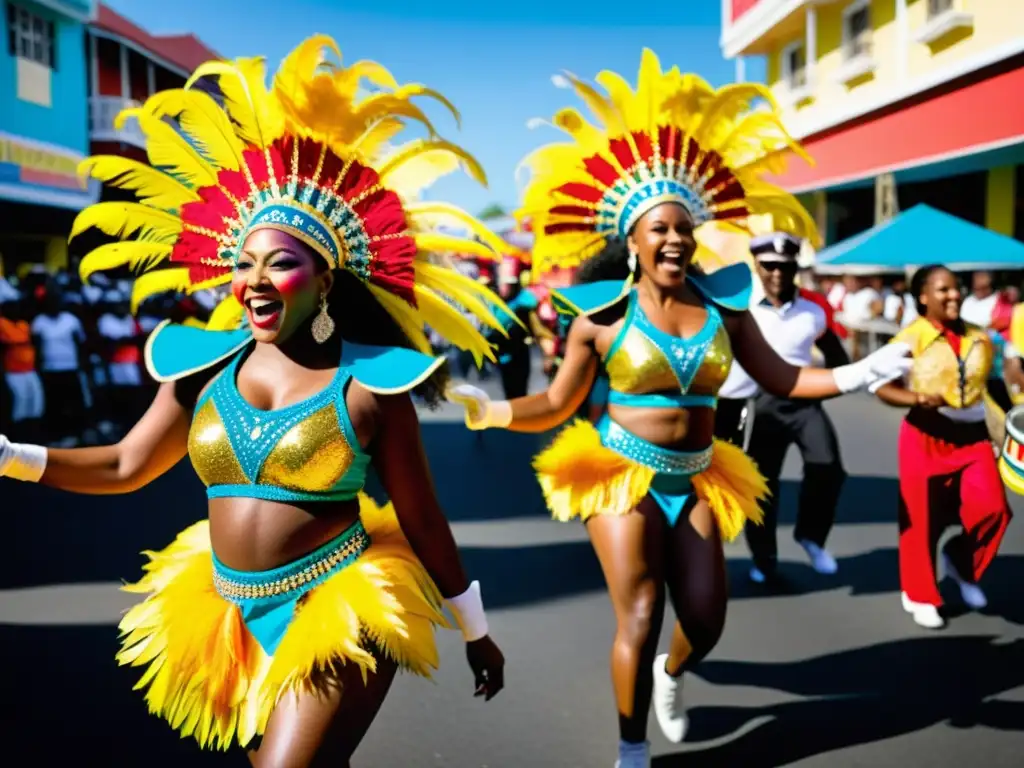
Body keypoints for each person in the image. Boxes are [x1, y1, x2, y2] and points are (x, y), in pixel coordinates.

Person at [0, 36, 507, 764]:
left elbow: (425, 520)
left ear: (326, 281)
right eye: (243, 263)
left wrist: (475, 628)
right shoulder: (200, 370)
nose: (256, 279)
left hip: (342, 603)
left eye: (283, 263)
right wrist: (10, 456)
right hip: (225, 609)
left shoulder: (368, 385)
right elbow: (123, 465)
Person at [446, 50, 912, 768]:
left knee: (706, 618)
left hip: (699, 473)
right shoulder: (600, 316)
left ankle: (671, 674)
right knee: (639, 612)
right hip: (621, 474)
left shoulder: (727, 307)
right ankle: (631, 747)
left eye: (682, 229)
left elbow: (783, 378)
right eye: (658, 229)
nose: (674, 239)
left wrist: (861, 371)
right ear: (631, 240)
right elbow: (559, 402)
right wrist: (494, 412)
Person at [874, 265, 1012, 630]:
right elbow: (881, 386)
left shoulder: (979, 337)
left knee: (994, 508)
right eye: (943, 290)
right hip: (925, 435)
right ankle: (921, 593)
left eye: (956, 289)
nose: (954, 295)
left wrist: (1011, 424)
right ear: (923, 296)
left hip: (974, 438)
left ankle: (961, 561)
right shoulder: (910, 338)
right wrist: (915, 397)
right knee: (920, 519)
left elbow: (993, 386)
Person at [733, 233, 851, 584]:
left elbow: (838, 358)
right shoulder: (740, 307)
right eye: (769, 266)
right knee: (763, 486)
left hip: (802, 401)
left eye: (785, 266)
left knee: (828, 467)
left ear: (796, 267)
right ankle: (764, 559)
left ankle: (811, 536)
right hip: (760, 404)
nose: (778, 273)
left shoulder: (813, 310)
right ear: (756, 265)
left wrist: (821, 388)